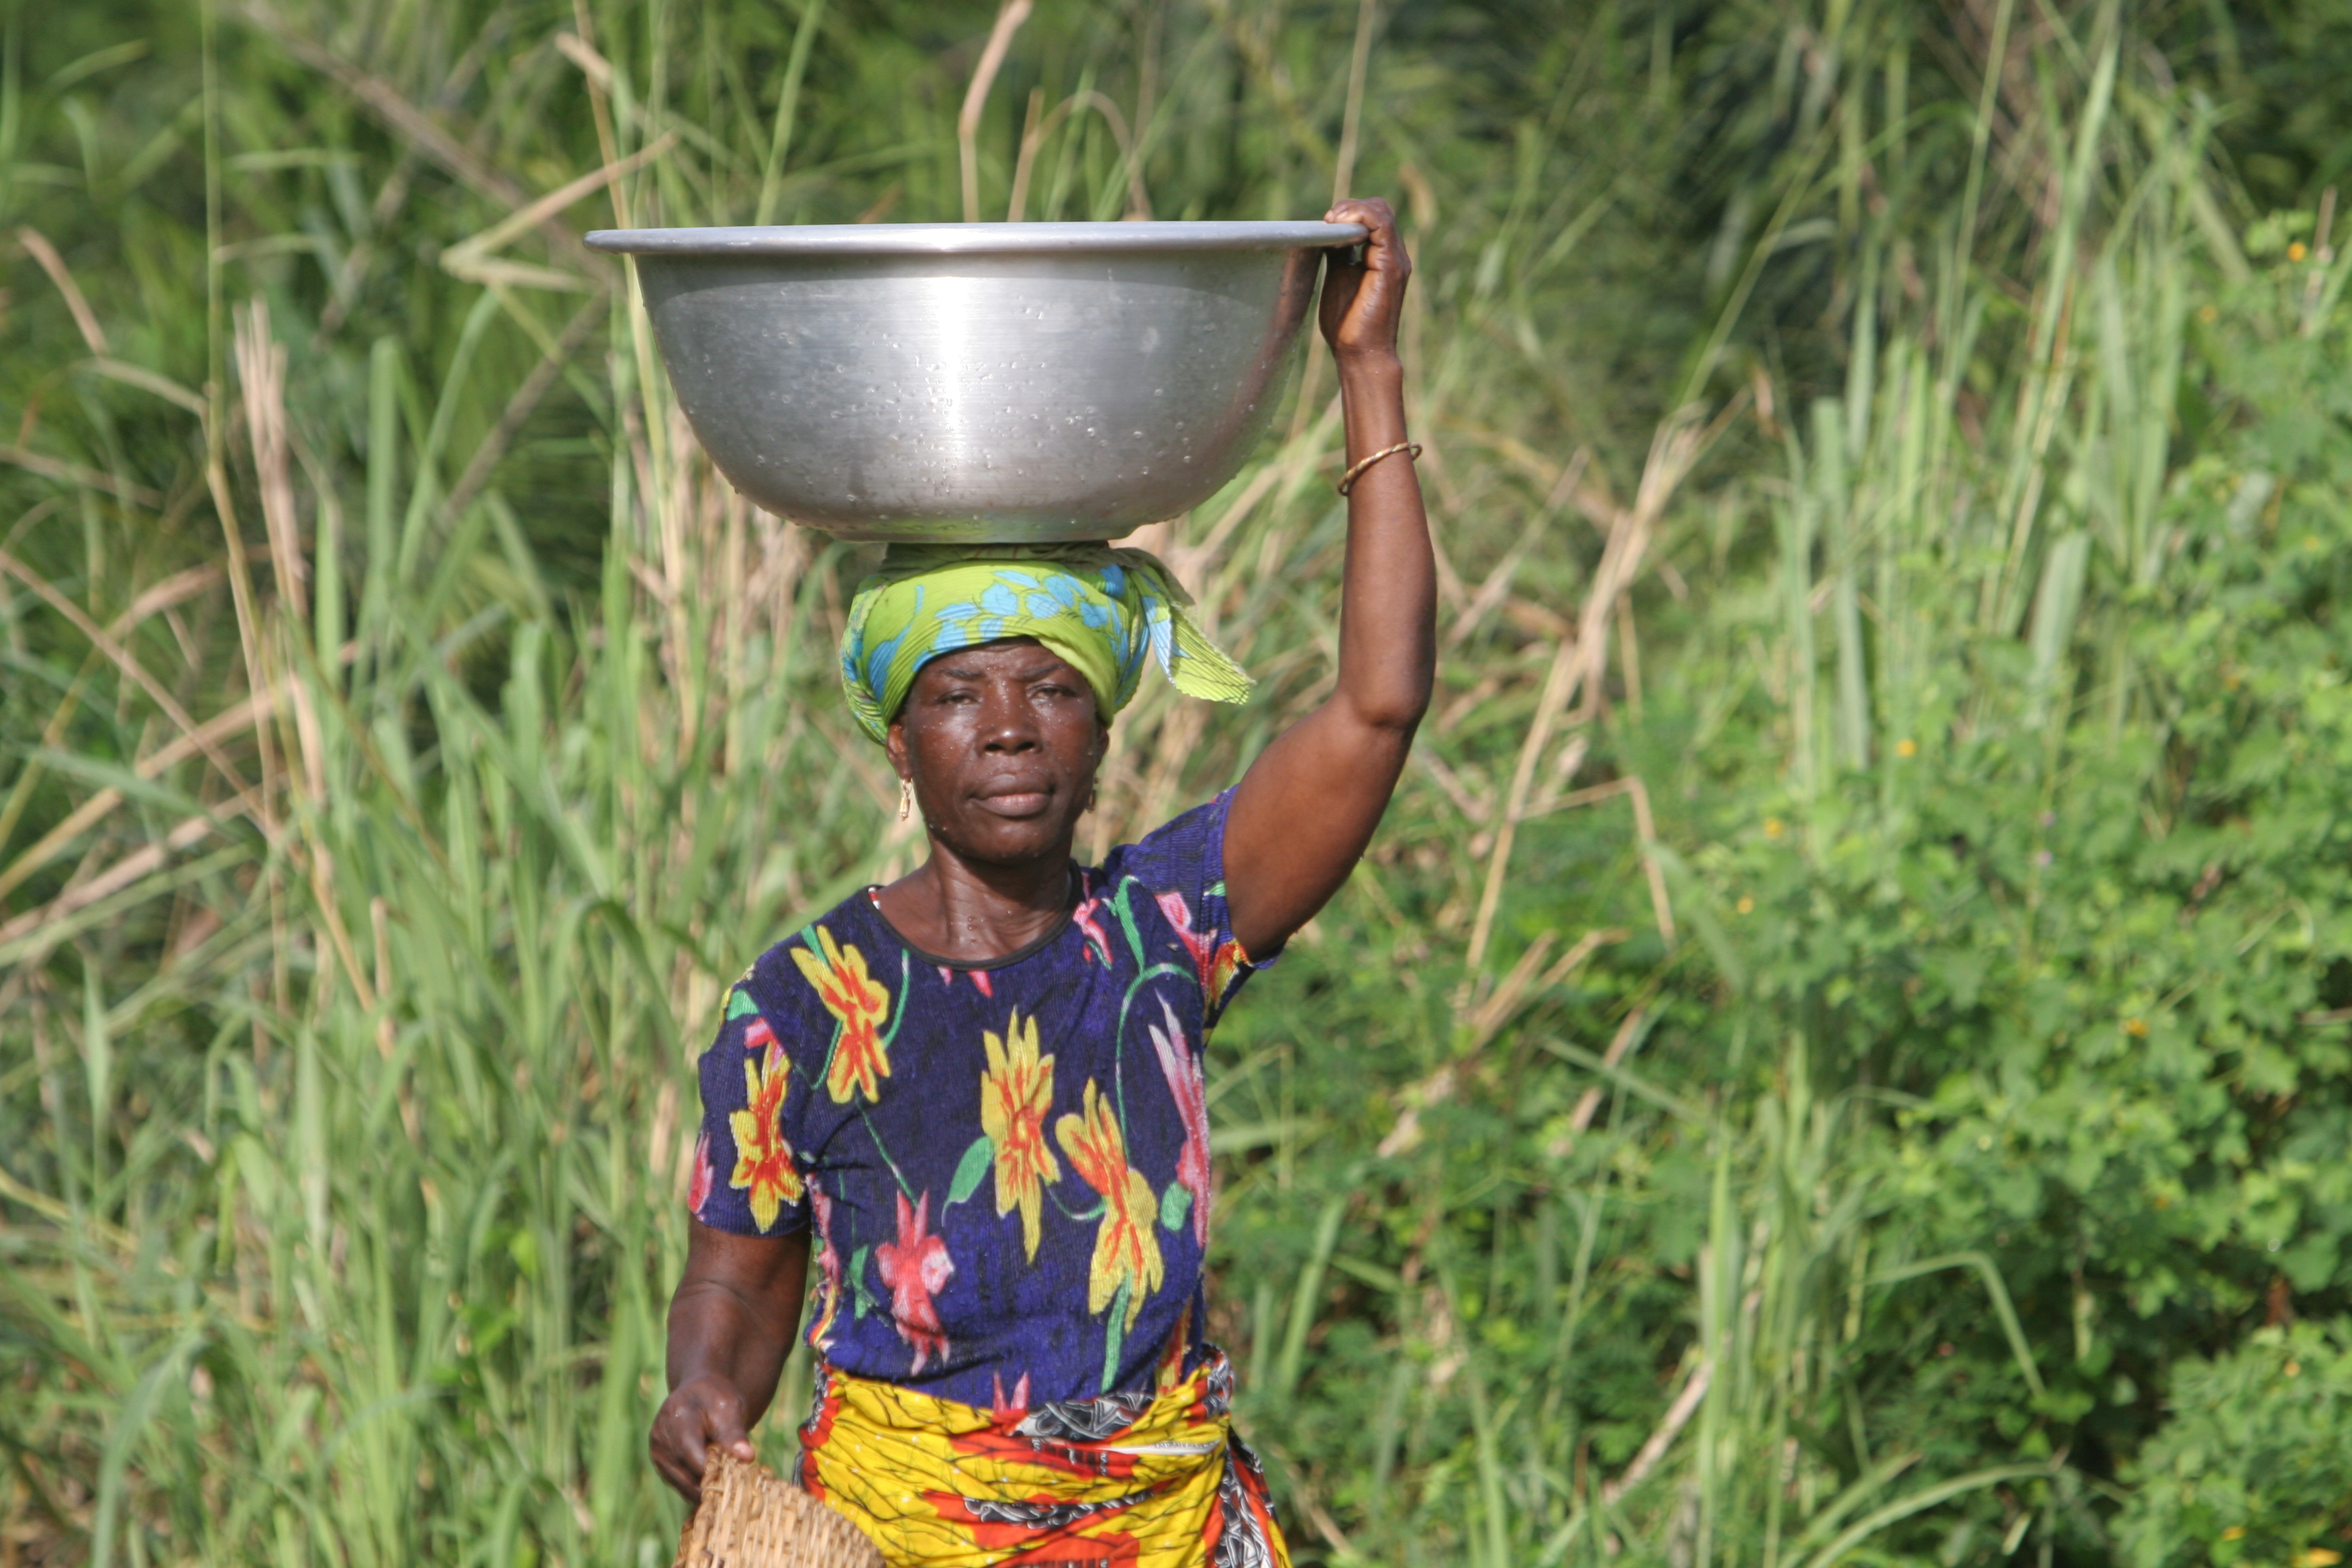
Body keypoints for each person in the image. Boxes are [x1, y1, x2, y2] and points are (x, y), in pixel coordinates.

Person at [649, 197, 1432, 1567]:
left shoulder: (1160, 928)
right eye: (957, 693)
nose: (1008, 726)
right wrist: (704, 1389)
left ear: (1105, 726)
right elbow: (736, 1264)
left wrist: (1367, 368)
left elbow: (1375, 708)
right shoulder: (805, 1006)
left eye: (1051, 688)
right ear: (898, 737)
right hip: (895, 1537)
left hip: (1167, 1528)